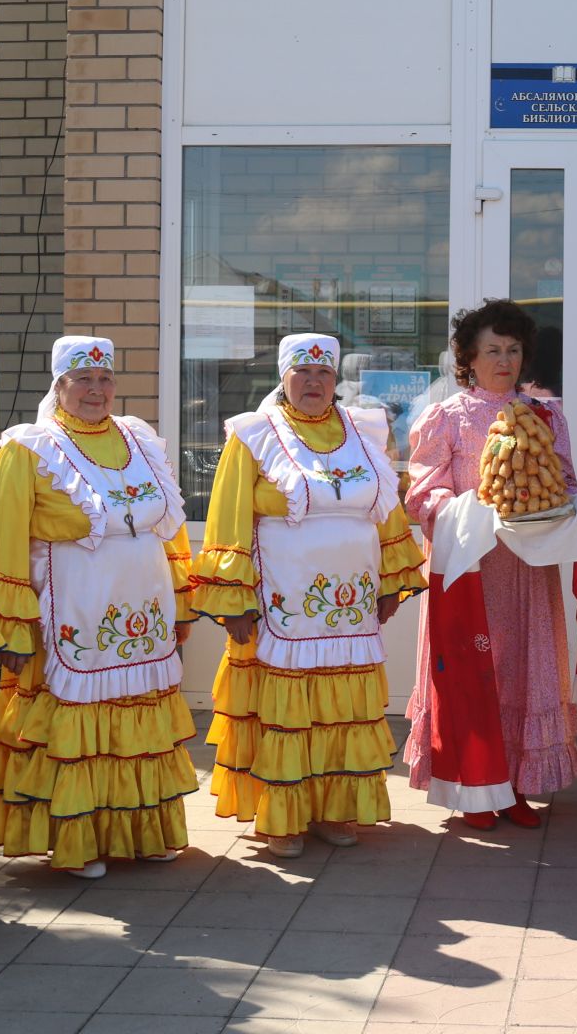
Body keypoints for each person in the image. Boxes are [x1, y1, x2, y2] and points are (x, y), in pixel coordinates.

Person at [191, 334, 426, 857]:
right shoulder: (254, 435)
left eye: (324, 373)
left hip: (349, 606)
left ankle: (332, 809)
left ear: (335, 379)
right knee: (288, 712)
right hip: (282, 606)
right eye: (303, 373)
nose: (315, 382)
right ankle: (283, 818)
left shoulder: (364, 432)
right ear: (284, 377)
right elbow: (227, 520)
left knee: (341, 710)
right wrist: (235, 601)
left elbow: (386, 509)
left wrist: (391, 581)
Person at [0, 336, 197, 878]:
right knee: (78, 717)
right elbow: (0, 543)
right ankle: (78, 841)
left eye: (105, 379)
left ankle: (140, 833)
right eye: (82, 380)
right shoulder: (27, 450)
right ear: (59, 387)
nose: (96, 390)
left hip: (140, 611)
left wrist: (180, 600)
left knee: (137, 717)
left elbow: (168, 532)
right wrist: (11, 624)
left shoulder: (140, 439)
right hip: (73, 607)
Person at [403, 300, 577, 828]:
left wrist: (567, 506)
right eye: (492, 350)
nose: (504, 359)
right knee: (473, 673)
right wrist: (467, 512)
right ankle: (472, 787)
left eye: (512, 350)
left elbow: (567, 480)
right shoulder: (446, 416)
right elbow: (422, 491)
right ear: (467, 357)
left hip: (528, 568)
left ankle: (512, 786)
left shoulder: (545, 415)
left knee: (521, 669)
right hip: (470, 569)